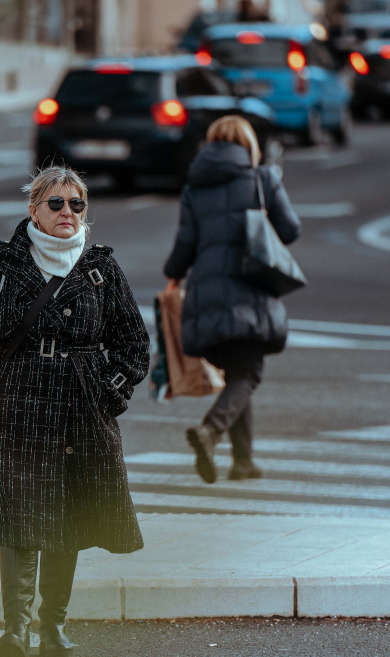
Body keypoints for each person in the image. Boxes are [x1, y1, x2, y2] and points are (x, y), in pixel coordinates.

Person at [0, 165, 149, 657]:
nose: (68, 213)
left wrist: (108, 393)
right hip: (17, 405)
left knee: (67, 513)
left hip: (80, 410)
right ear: (34, 209)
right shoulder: (4, 264)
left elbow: (134, 346)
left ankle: (53, 626)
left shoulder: (101, 268)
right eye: (57, 203)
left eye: (77, 204)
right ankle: (15, 631)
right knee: (20, 517)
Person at [163, 116, 300, 484]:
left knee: (238, 371)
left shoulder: (195, 187)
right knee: (249, 372)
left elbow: (184, 248)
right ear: (248, 143)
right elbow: (290, 229)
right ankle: (210, 431)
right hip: (248, 290)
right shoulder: (263, 178)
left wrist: (173, 273)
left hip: (205, 297)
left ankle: (243, 461)